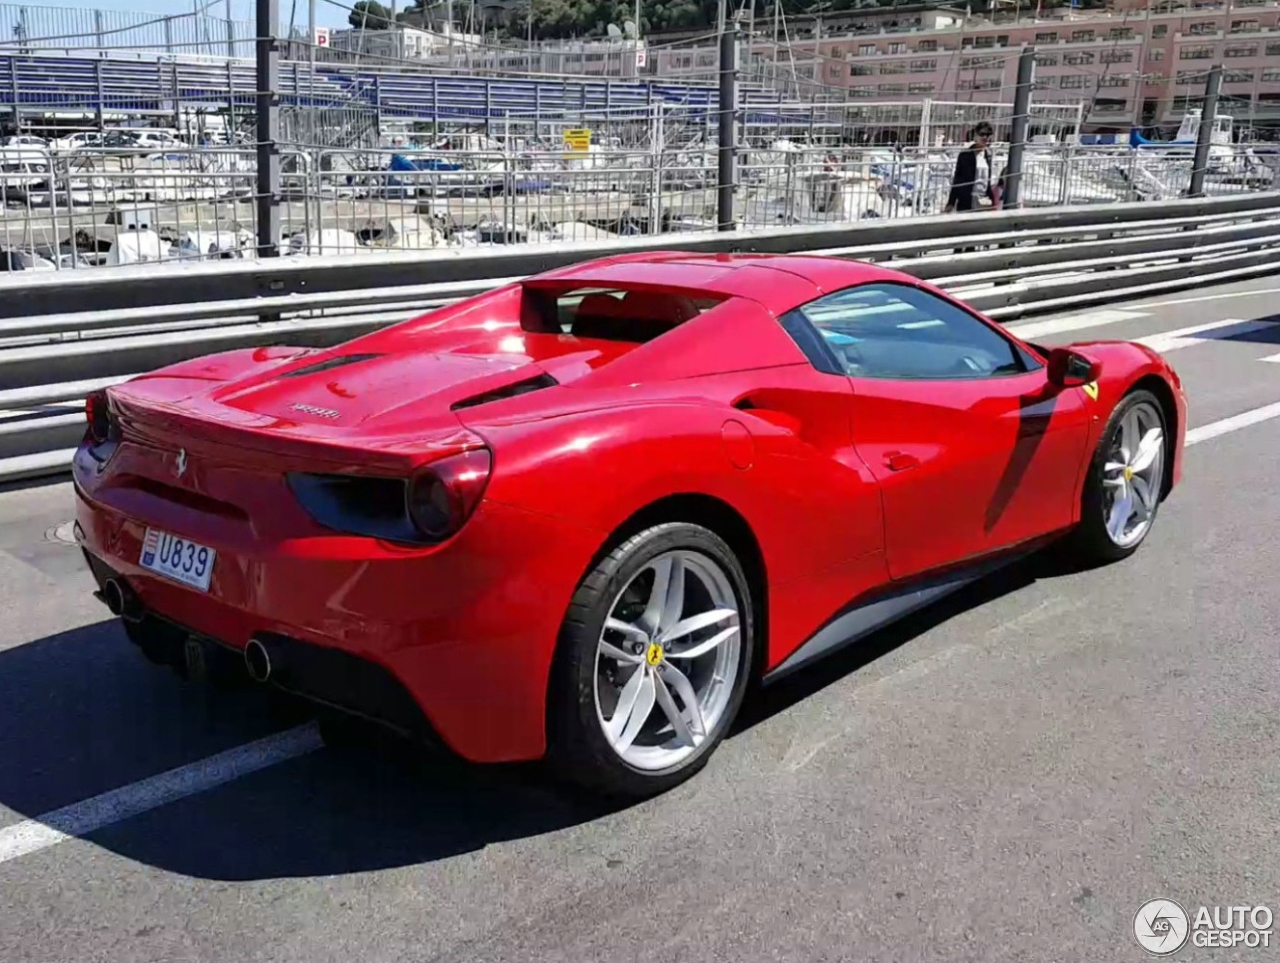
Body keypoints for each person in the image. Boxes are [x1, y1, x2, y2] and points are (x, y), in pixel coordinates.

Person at [945, 122, 997, 213]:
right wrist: (951, 202)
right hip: (967, 200)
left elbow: (987, 181)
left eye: (988, 135)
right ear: (975, 136)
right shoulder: (965, 155)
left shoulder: (988, 155)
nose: (985, 137)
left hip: (983, 201)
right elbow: (957, 180)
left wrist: (992, 200)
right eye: (982, 134)